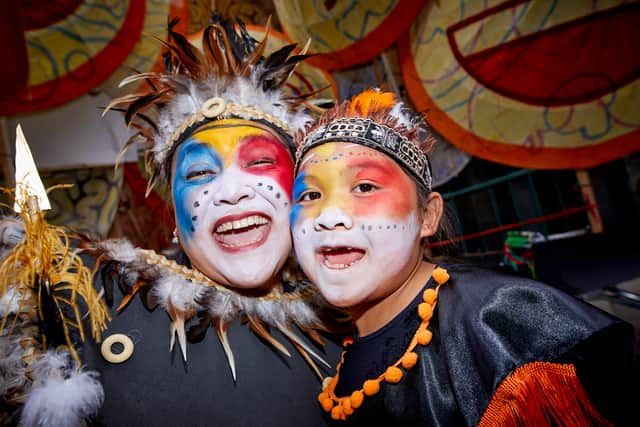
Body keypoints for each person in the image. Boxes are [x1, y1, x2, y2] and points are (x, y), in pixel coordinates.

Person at [290, 89, 636, 425]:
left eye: (365, 187)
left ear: (427, 216)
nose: (328, 215)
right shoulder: (333, 353)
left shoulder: (503, 328)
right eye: (309, 194)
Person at [80, 16, 342, 426]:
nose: (233, 191)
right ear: (172, 213)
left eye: (259, 162)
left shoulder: (354, 315)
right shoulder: (92, 306)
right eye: (200, 173)